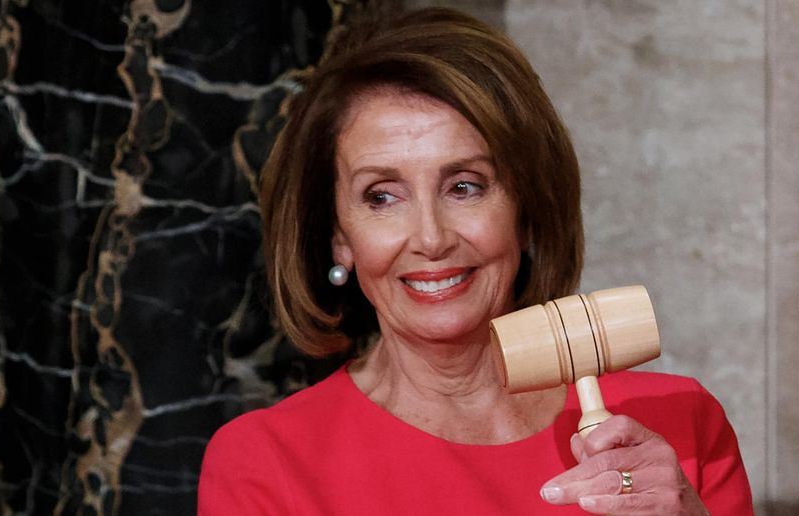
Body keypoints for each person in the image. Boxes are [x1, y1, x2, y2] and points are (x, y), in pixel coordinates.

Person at [198, 7, 753, 515]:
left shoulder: (680, 422)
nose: (431, 238)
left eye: (464, 186)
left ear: (527, 212)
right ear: (339, 237)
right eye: (382, 197)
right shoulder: (266, 462)